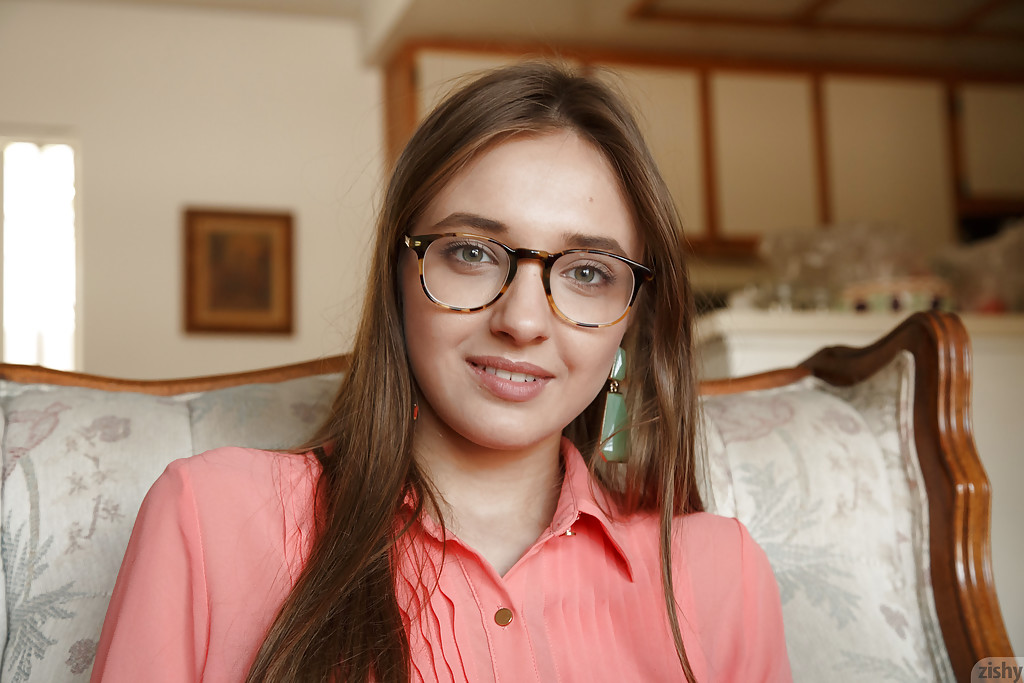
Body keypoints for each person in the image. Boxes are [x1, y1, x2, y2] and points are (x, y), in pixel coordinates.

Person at [91, 62, 791, 683]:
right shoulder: (207, 519)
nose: (522, 320)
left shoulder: (717, 574)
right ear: (399, 274)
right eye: (473, 253)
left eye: (586, 272)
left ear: (631, 315)